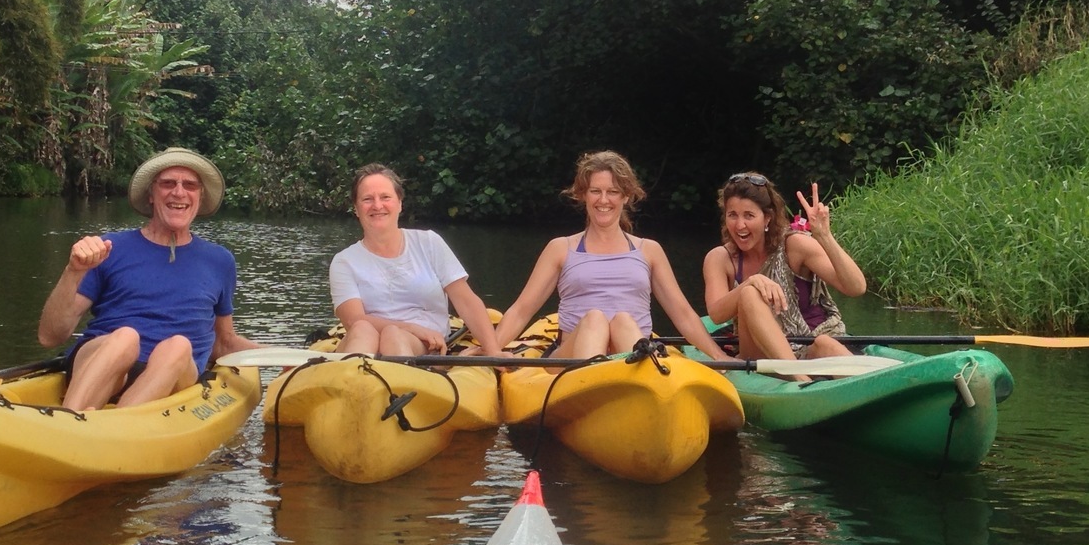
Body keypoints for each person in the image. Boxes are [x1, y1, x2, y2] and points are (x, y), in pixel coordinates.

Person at [37, 148, 261, 411]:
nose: (178, 192)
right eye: (168, 183)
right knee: (125, 337)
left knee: (178, 346)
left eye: (189, 185)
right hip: (105, 363)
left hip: (173, 374)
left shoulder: (220, 261)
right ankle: (69, 418)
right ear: (151, 195)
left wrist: (283, 355)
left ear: (200, 197)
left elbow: (223, 342)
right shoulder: (109, 247)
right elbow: (50, 337)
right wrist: (73, 272)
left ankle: (117, 427)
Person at [489, 150, 729, 360]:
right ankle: (590, 383)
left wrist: (718, 356)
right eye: (595, 191)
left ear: (625, 196)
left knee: (623, 321)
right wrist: (490, 348)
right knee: (595, 319)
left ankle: (636, 384)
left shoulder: (649, 250)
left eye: (612, 192)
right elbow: (522, 309)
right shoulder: (561, 248)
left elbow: (684, 314)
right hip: (572, 353)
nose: (603, 200)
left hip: (631, 349)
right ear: (583, 195)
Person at [329, 163, 503, 356]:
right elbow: (353, 321)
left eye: (385, 197)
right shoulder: (343, 262)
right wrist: (410, 327)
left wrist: (493, 351)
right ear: (356, 208)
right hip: (368, 341)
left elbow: (466, 301)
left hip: (421, 343)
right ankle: (354, 380)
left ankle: (398, 378)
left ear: (399, 203)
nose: (377, 205)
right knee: (363, 328)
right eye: (367, 199)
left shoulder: (429, 242)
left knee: (393, 335)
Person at [702, 173, 867, 361]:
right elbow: (716, 315)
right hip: (760, 352)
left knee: (825, 344)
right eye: (732, 215)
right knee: (750, 293)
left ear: (767, 218)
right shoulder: (720, 258)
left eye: (749, 215)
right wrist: (751, 282)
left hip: (811, 342)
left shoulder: (795, 245)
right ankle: (796, 375)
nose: (740, 225)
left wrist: (824, 236)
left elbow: (856, 288)